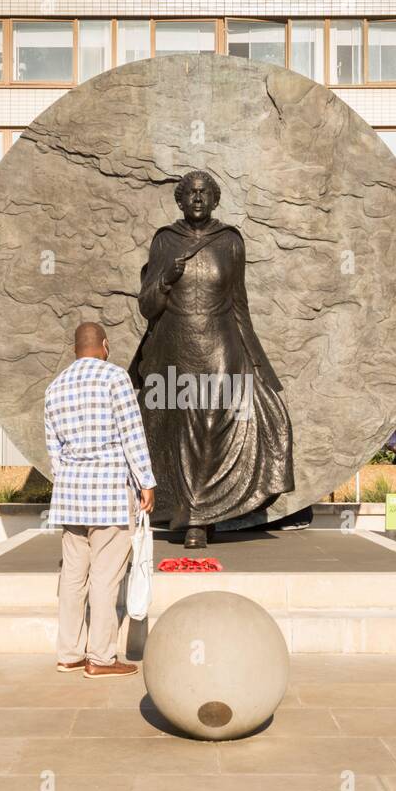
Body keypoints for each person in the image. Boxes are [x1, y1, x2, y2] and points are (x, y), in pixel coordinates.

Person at [129, 169, 294, 550]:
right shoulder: (165, 242)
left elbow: (240, 305)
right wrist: (165, 279)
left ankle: (205, 513)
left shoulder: (230, 242)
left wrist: (260, 365)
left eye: (205, 193)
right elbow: (146, 306)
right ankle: (194, 519)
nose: (198, 199)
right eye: (191, 194)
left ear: (215, 199)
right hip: (176, 347)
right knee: (184, 427)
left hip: (222, 346)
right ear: (181, 201)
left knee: (213, 423)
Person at [45, 321, 157, 678]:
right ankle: (102, 659)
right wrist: (146, 481)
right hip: (109, 493)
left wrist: (68, 483)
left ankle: (69, 654)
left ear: (75, 348)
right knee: (106, 578)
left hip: (70, 497)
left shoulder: (55, 387)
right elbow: (131, 433)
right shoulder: (115, 378)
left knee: (73, 579)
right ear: (104, 345)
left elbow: (55, 453)